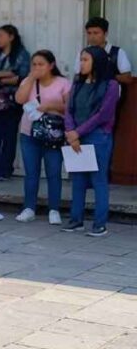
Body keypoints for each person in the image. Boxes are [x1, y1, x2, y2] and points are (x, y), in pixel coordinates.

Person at [63, 46, 121, 237]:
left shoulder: (111, 85)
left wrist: (77, 132)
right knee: (78, 180)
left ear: (97, 61)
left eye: (86, 60)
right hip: (76, 136)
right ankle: (76, 219)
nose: (81, 63)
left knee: (98, 180)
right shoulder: (78, 83)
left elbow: (103, 114)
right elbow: (68, 109)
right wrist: (71, 131)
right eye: (81, 60)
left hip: (98, 136)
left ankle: (99, 223)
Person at [14, 50, 71, 225]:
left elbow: (69, 107)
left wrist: (50, 106)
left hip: (53, 134)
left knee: (54, 172)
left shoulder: (63, 83)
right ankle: (29, 207)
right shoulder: (28, 81)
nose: (37, 67)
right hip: (29, 133)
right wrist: (31, 78)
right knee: (31, 172)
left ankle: (54, 209)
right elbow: (19, 99)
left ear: (51, 65)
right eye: (34, 64)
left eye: (41, 64)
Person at [0, 24, 30, 181]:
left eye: (2, 36)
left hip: (12, 101)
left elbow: (21, 76)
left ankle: (5, 170)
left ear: (11, 37)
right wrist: (7, 76)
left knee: (9, 136)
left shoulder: (21, 54)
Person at [75, 17, 132, 87]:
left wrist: (105, 76)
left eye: (96, 33)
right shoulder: (83, 53)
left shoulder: (117, 52)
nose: (92, 37)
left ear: (105, 34)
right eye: (89, 33)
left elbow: (127, 78)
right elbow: (77, 76)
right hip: (88, 94)